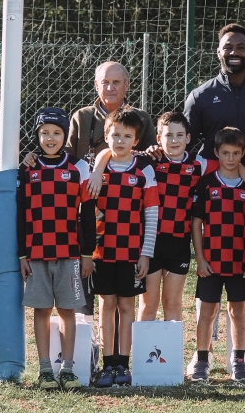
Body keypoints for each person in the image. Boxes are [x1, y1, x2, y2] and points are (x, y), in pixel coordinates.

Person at [17, 108, 95, 390]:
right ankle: (45, 369)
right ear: (37, 136)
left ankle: (68, 369)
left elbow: (87, 214)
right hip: (36, 254)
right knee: (41, 310)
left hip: (69, 253)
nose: (50, 138)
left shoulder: (78, 168)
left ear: (66, 136)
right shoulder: (28, 168)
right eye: (44, 133)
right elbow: (22, 213)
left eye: (57, 133)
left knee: (67, 311)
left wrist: (87, 253)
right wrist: (23, 254)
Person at [90, 108, 158, 388]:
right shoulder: (98, 169)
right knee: (107, 304)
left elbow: (152, 214)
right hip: (102, 252)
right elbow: (87, 213)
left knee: (127, 306)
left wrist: (146, 253)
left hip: (132, 252)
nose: (119, 141)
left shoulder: (144, 170)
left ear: (136, 141)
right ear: (106, 136)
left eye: (126, 136)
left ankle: (123, 364)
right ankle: (107, 365)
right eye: (115, 135)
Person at [189, 127, 245, 382]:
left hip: (240, 261)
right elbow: (197, 224)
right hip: (212, 261)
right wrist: (201, 258)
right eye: (225, 153)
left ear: (243, 153)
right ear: (216, 152)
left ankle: (239, 361)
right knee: (208, 311)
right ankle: (202, 361)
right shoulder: (206, 184)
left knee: (237, 310)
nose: (231, 158)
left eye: (236, 153)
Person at [138, 112, 215, 323]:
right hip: (150, 242)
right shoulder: (148, 161)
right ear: (158, 138)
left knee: (173, 303)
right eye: (168, 135)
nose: (174, 140)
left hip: (179, 243)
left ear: (188, 138)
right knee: (148, 305)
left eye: (179, 135)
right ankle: (144, 356)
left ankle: (171, 356)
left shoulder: (199, 164)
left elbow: (232, 163)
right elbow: (115, 154)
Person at [184, 23, 245, 171]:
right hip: (213, 182)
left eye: (240, 47)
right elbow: (183, 143)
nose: (234, 52)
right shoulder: (200, 96)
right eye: (228, 48)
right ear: (218, 53)